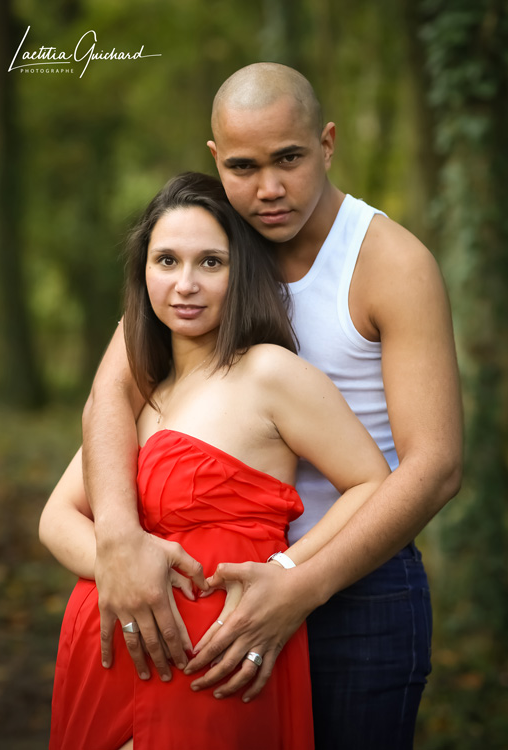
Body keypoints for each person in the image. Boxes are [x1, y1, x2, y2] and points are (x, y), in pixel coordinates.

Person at [81, 65, 463, 749]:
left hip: (358, 591)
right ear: (215, 159)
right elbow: (112, 391)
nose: (268, 189)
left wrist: (301, 582)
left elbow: (434, 466)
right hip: (218, 593)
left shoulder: (390, 263)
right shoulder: (208, 250)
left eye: (289, 159)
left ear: (327, 144)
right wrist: (116, 536)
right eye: (243, 167)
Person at [40, 172, 390, 749]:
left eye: (210, 263)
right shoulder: (143, 394)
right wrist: (122, 568)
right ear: (143, 272)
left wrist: (289, 572)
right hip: (106, 662)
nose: (186, 285)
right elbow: (56, 518)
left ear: (240, 272)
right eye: (166, 261)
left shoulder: (269, 373)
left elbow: (372, 484)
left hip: (213, 668)